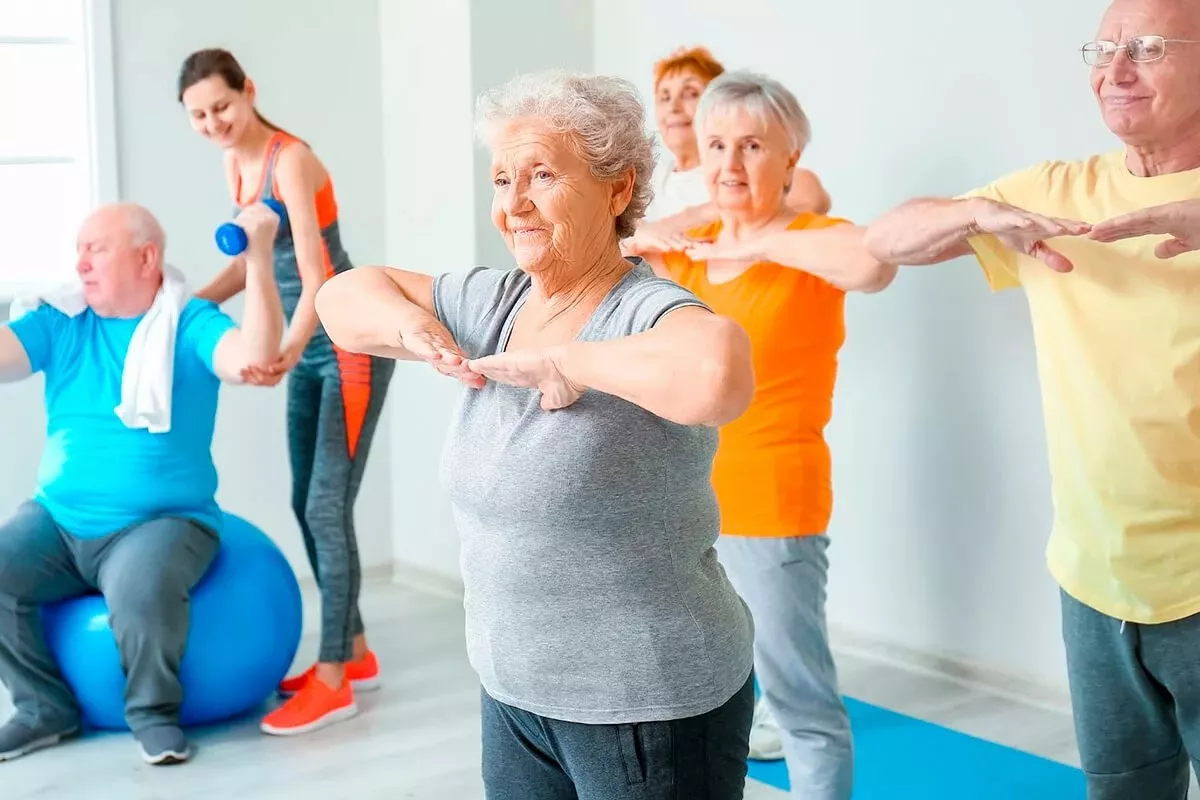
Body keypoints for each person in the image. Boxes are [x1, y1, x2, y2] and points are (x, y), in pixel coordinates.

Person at [314, 70, 759, 799]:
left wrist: (568, 362)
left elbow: (722, 374)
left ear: (618, 190)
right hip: (515, 694)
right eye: (501, 179)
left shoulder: (645, 310)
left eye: (542, 175)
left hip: (648, 705)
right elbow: (342, 294)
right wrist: (413, 327)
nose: (513, 205)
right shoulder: (495, 298)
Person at [863, 0, 1200, 795]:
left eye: (1146, 49)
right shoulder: (1056, 190)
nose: (1114, 71)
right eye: (1102, 48)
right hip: (1093, 580)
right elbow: (882, 242)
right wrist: (973, 211)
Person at [637, 70, 894, 799]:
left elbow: (873, 264)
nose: (730, 163)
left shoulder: (818, 241)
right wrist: (679, 233)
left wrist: (763, 242)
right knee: (693, 700)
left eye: (753, 145)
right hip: (677, 505)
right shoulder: (689, 249)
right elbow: (614, 256)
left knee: (799, 704)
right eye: (717, 144)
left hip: (774, 506)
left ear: (792, 159)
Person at [0, 202, 284, 766]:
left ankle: (153, 714)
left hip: (164, 521)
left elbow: (255, 357)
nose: (80, 263)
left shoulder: (191, 322)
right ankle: (42, 709)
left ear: (146, 256)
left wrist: (259, 261)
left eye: (96, 248)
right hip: (58, 518)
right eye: (78, 249)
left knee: (139, 589)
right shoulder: (61, 320)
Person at [177, 48, 394, 736]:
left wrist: (291, 347)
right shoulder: (232, 162)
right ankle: (353, 650)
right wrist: (176, 305)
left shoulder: (289, 159)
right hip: (308, 344)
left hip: (349, 338)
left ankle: (334, 679)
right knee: (307, 501)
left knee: (328, 508)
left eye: (222, 106)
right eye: (199, 115)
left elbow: (316, 270)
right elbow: (253, 265)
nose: (213, 122)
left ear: (249, 91)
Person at [624, 46, 831, 256]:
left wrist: (679, 222)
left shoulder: (736, 172)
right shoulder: (646, 178)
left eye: (690, 94)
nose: (674, 108)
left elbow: (812, 196)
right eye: (664, 97)